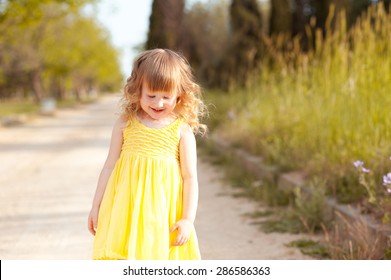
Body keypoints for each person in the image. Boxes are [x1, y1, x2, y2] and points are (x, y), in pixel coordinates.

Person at [87, 48, 207, 260]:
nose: (158, 103)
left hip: (162, 211)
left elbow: (190, 178)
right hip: (126, 208)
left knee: (157, 258)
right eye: (151, 95)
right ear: (137, 91)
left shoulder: (182, 130)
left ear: (179, 94)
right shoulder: (125, 124)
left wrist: (188, 219)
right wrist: (96, 205)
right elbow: (109, 166)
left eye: (166, 97)